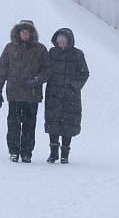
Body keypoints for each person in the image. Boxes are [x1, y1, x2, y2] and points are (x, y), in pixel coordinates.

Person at [0, 20, 51, 163]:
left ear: (32, 33)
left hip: (32, 95)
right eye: (23, 32)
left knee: (29, 125)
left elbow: (47, 70)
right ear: (18, 33)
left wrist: (37, 80)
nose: (25, 34)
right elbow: (2, 70)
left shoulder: (40, 49)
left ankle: (26, 153)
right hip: (14, 94)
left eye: (28, 32)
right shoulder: (10, 48)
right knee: (13, 124)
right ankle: (13, 151)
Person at [44, 28, 89, 164]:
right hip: (53, 94)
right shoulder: (51, 53)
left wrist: (74, 86)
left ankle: (65, 154)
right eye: (59, 42)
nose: (62, 44)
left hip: (71, 96)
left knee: (68, 124)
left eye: (64, 42)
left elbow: (84, 73)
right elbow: (45, 69)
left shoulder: (77, 55)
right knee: (53, 122)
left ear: (69, 42)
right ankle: (53, 153)